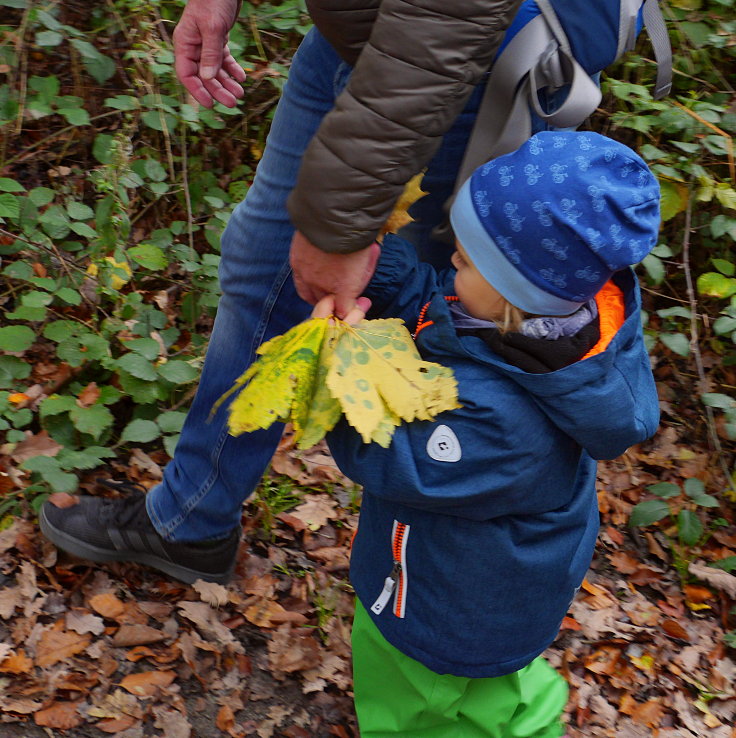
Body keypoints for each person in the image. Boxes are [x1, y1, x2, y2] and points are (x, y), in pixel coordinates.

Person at [38, 0, 537, 582]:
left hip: (449, 65)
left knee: (430, 319)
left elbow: (449, 16)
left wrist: (339, 226)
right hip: (355, 36)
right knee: (264, 265)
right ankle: (193, 522)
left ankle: (431, 588)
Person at [316, 130, 660, 736]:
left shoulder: (505, 420)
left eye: (469, 260)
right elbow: (437, 305)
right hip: (500, 585)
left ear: (515, 296)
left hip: (448, 607)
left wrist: (331, 376)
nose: (451, 260)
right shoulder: (532, 325)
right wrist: (383, 263)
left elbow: (396, 459)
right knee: (493, 689)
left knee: (418, 700)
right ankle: (531, 714)